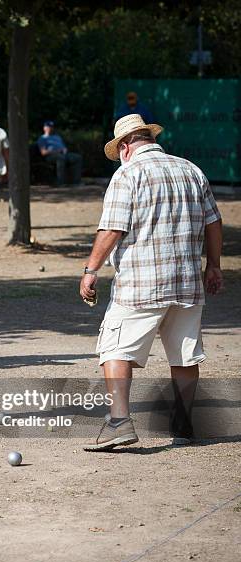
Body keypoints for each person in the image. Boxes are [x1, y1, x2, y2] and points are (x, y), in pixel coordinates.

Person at [80, 114, 223, 451]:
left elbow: (112, 228)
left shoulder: (128, 174)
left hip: (140, 283)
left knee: (114, 349)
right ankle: (185, 421)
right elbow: (214, 222)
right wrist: (214, 266)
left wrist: (91, 269)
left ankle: (118, 423)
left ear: (126, 146)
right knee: (184, 357)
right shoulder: (191, 170)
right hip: (187, 282)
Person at [37, 120, 82, 186]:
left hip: (63, 154)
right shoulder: (42, 138)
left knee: (77, 157)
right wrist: (56, 151)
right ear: (44, 128)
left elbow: (64, 147)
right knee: (61, 158)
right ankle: (60, 182)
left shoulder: (57, 137)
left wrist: (65, 150)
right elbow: (43, 152)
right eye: (48, 127)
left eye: (51, 127)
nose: (50, 128)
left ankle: (76, 182)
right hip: (50, 156)